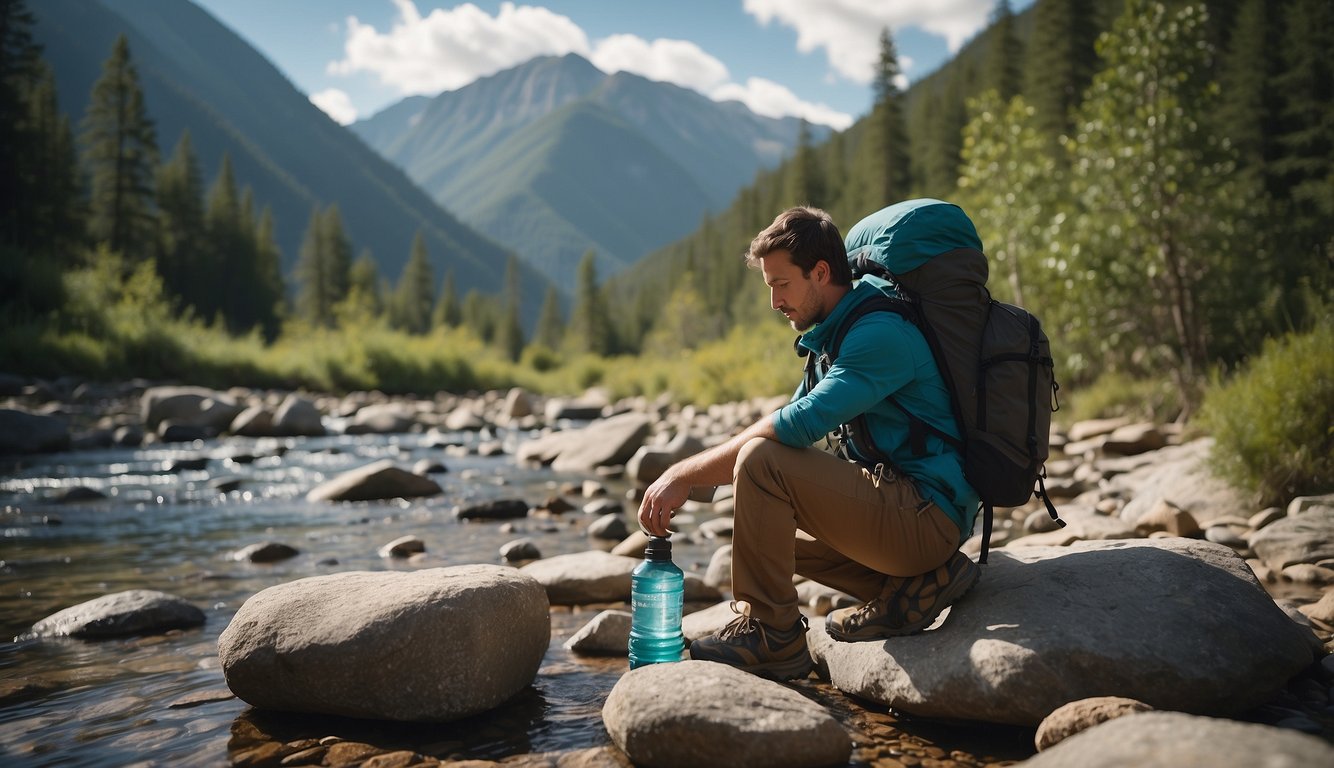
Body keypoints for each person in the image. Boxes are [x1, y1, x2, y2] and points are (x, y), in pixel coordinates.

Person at [637, 205, 980, 681]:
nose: (775, 302)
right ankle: (918, 585)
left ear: (820, 273)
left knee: (761, 461)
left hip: (925, 518)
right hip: (906, 515)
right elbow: (781, 424)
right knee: (766, 535)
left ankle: (774, 637)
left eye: (781, 284)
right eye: (769, 287)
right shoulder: (835, 338)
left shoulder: (878, 335)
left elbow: (789, 432)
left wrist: (682, 476)